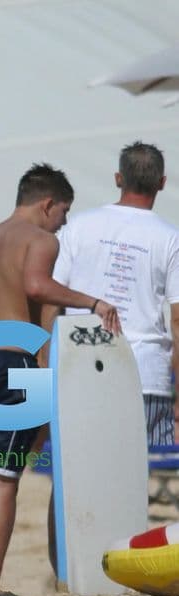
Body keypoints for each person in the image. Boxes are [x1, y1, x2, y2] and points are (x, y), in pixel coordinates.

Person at [0, 163, 121, 594]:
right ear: (47, 204)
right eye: (63, 213)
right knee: (5, 479)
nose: (63, 224)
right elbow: (37, 287)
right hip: (9, 362)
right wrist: (93, 301)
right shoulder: (40, 241)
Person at [49, 141, 179, 446]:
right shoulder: (170, 238)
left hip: (82, 369)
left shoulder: (77, 226)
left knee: (81, 477)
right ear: (162, 182)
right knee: (142, 480)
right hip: (146, 375)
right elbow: (177, 321)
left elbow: (51, 299)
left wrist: (47, 365)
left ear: (118, 178)